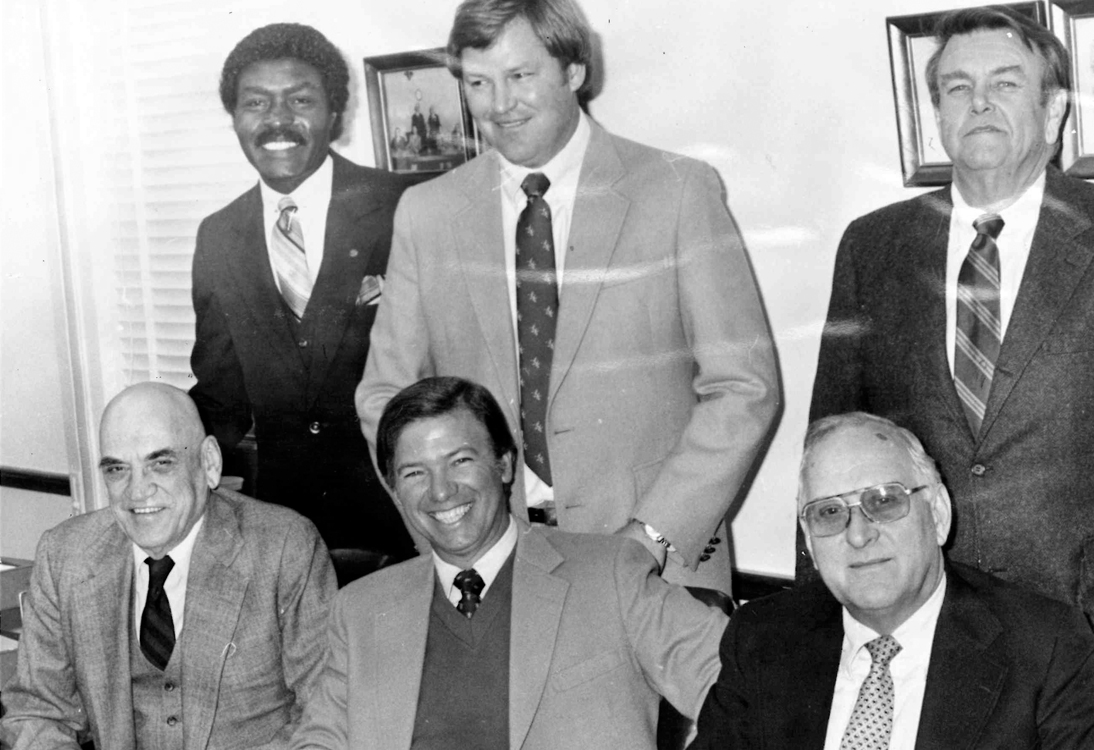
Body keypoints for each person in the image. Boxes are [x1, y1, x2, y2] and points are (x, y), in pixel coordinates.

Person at [355, 0, 779, 596]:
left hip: (659, 566)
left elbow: (743, 387)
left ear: (573, 70)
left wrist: (652, 535)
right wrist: (448, 523)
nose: (500, 104)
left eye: (520, 75)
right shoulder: (427, 214)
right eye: (478, 83)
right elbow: (385, 397)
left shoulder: (677, 192)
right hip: (490, 567)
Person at [808, 6, 1094, 637]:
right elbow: (828, 447)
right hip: (923, 624)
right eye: (958, 87)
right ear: (938, 114)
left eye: (1006, 84)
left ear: (1054, 112)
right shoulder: (873, 247)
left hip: (1093, 623)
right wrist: (825, 622)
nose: (980, 103)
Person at [290, 376, 727, 750]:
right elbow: (320, 741)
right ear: (394, 489)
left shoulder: (609, 574)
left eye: (460, 461)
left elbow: (742, 682)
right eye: (415, 473)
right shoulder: (361, 609)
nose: (441, 492)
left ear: (503, 464)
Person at [691, 412, 1094, 749]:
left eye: (884, 501)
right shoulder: (764, 637)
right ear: (809, 538)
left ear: (937, 514)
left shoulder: (1044, 647)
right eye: (829, 512)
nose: (858, 535)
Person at [190, 23, 424, 560]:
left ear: (334, 112)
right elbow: (222, 398)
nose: (277, 120)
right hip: (287, 536)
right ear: (234, 117)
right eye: (256, 103)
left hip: (408, 521)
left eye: (300, 100)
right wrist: (158, 441)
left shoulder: (407, 204)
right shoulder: (218, 236)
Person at [0, 383, 336, 750]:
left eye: (160, 464)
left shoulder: (283, 547)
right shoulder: (66, 555)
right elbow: (36, 711)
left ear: (209, 463)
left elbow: (325, 717)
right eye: (117, 469)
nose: (137, 491)